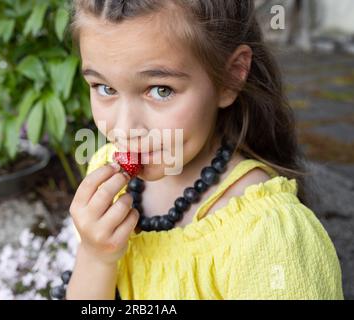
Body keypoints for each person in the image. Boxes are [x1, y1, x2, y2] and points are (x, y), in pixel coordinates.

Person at [64, 0, 344, 300]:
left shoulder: (268, 236)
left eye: (161, 90)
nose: (124, 129)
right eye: (104, 88)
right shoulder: (106, 172)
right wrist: (96, 257)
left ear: (231, 76)